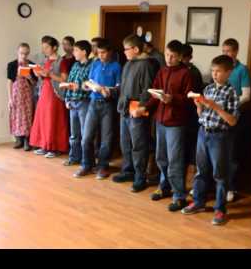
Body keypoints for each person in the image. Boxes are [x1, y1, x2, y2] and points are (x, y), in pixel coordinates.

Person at [181, 55, 240, 225]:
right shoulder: (208, 89)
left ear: (228, 72)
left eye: (219, 71)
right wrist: (199, 104)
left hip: (220, 136)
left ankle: (220, 209)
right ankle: (198, 202)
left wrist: (214, 106)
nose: (215, 74)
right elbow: (202, 115)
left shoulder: (231, 92)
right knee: (201, 170)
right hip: (203, 132)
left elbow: (232, 120)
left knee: (220, 174)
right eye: (213, 71)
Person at [139, 40, 193, 211]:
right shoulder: (162, 71)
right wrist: (144, 108)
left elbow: (189, 100)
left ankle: (179, 196)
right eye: (167, 54)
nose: (169, 59)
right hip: (160, 121)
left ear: (180, 58)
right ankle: (164, 186)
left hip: (176, 123)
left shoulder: (186, 74)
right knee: (160, 157)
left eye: (173, 56)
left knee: (175, 160)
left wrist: (173, 99)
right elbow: (155, 94)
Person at [112, 35, 157, 191]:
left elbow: (147, 90)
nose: (124, 52)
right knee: (125, 142)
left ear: (136, 49)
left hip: (137, 109)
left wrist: (142, 107)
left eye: (126, 49)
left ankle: (140, 176)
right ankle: (128, 170)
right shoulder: (129, 63)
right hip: (124, 108)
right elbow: (124, 86)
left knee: (139, 144)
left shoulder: (146, 64)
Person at [74, 39, 121, 179]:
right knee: (86, 137)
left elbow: (119, 87)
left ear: (110, 52)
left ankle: (102, 167)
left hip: (108, 105)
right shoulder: (95, 64)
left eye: (104, 52)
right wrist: (86, 85)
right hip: (93, 103)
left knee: (106, 139)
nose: (101, 55)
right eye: (99, 52)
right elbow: (89, 82)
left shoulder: (116, 66)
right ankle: (86, 165)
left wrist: (109, 91)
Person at [29, 36, 70, 158]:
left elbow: (64, 79)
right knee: (43, 118)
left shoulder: (61, 61)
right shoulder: (46, 60)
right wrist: (39, 74)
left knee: (52, 118)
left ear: (55, 47)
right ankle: (44, 145)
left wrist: (50, 74)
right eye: (43, 47)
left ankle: (54, 147)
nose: (44, 49)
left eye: (46, 47)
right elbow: (44, 77)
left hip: (55, 93)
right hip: (44, 91)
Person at [222, 38, 251, 202]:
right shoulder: (220, 67)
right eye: (224, 51)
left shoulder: (242, 69)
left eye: (229, 51)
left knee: (232, 154)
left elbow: (246, 96)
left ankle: (231, 187)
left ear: (236, 51)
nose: (226, 54)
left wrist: (229, 104)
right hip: (220, 116)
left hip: (234, 115)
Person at [63, 40, 93, 166]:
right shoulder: (75, 66)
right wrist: (67, 99)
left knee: (85, 134)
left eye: (76, 50)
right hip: (73, 102)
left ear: (84, 52)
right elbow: (69, 82)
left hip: (84, 102)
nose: (73, 53)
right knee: (74, 134)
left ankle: (86, 161)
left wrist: (78, 86)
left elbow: (91, 85)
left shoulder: (92, 66)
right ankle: (74, 157)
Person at [181, 44, 204, 191]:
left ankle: (191, 183)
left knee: (191, 150)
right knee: (181, 150)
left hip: (191, 116)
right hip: (180, 116)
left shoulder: (194, 72)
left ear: (189, 57)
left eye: (184, 58)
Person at [7, 43, 37, 151]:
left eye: (26, 53)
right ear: (17, 52)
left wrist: (29, 77)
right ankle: (18, 139)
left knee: (27, 116)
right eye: (21, 53)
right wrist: (9, 98)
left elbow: (34, 83)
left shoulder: (31, 65)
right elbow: (9, 82)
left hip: (27, 94)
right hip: (16, 94)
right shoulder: (12, 64)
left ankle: (27, 140)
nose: (23, 56)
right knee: (16, 116)